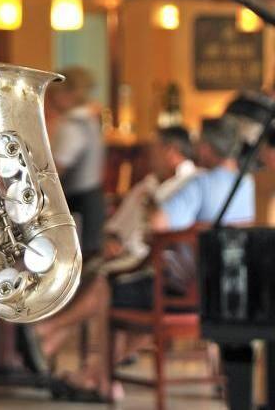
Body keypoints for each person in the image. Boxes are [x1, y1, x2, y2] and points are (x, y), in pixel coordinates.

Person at [33, 126, 200, 401]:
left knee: (107, 288)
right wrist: (111, 239)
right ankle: (92, 371)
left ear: (171, 152)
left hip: (165, 275)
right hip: (131, 264)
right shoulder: (146, 185)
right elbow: (115, 227)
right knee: (99, 278)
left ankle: (55, 339)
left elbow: (168, 233)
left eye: (154, 150)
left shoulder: (192, 185)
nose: (148, 157)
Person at [48, 65, 106, 255]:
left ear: (67, 94)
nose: (50, 99)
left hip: (79, 206)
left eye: (53, 93)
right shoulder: (89, 120)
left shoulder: (72, 126)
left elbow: (55, 171)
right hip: (93, 200)